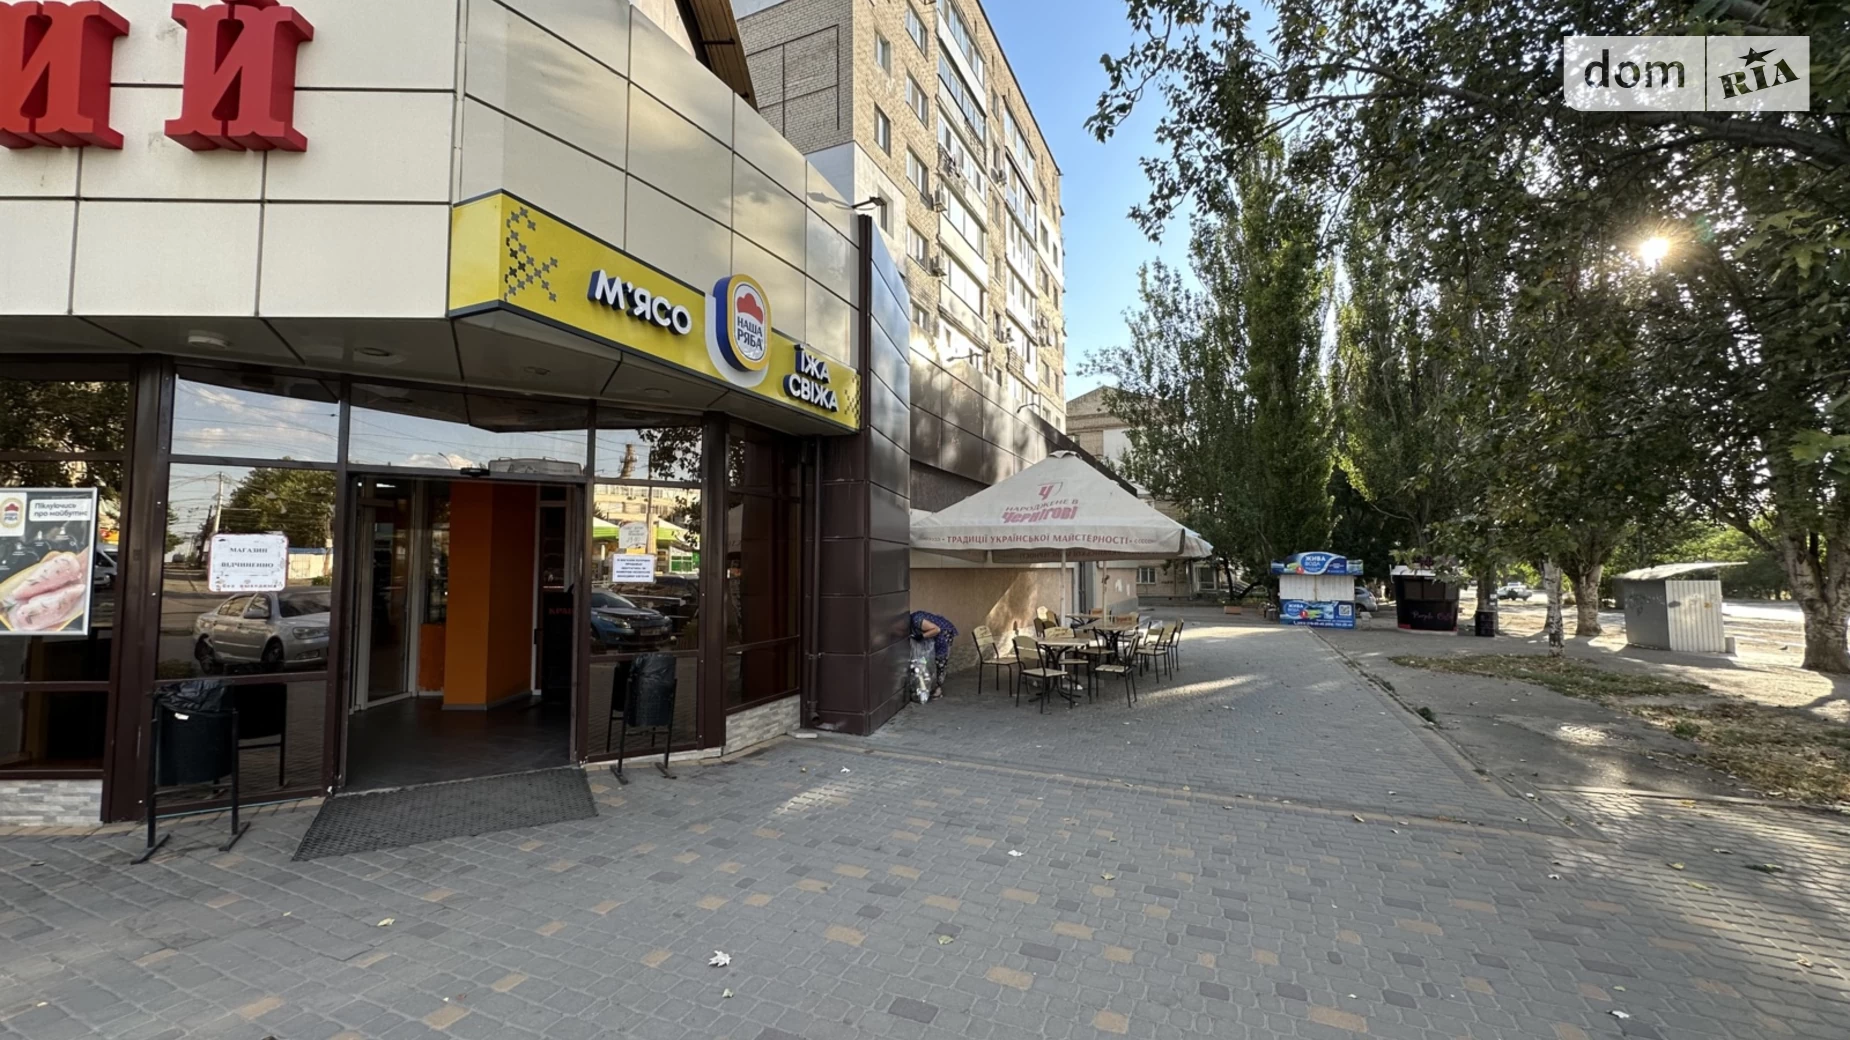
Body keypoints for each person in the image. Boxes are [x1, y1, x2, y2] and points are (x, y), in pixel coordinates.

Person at [909, 610, 958, 692]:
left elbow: (937, 629)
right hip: (936, 635)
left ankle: (938, 689)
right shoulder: (912, 621)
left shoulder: (916, 620)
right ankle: (932, 685)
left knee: (940, 661)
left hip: (944, 634)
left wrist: (921, 636)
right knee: (931, 660)